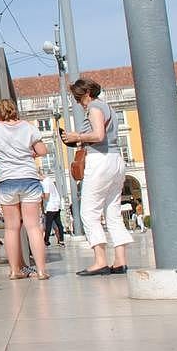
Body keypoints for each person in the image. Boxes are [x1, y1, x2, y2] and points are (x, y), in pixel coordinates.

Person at [0, 99, 51, 280]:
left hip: (6, 180)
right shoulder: (28, 127)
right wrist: (30, 153)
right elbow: (43, 150)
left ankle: (15, 270)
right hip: (29, 178)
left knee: (11, 228)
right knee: (33, 226)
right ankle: (40, 270)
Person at [62, 79, 132, 276]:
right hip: (116, 159)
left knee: (89, 212)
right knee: (113, 211)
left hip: (100, 160)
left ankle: (100, 261)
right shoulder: (107, 106)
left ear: (85, 94)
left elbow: (98, 135)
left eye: (77, 98)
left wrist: (77, 137)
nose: (77, 102)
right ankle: (120, 261)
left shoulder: (93, 107)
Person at [41, 173, 65, 245]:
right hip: (57, 204)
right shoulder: (50, 180)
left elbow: (47, 196)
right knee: (59, 224)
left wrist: (40, 195)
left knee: (48, 224)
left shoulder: (45, 182)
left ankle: (46, 240)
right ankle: (61, 240)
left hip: (50, 206)